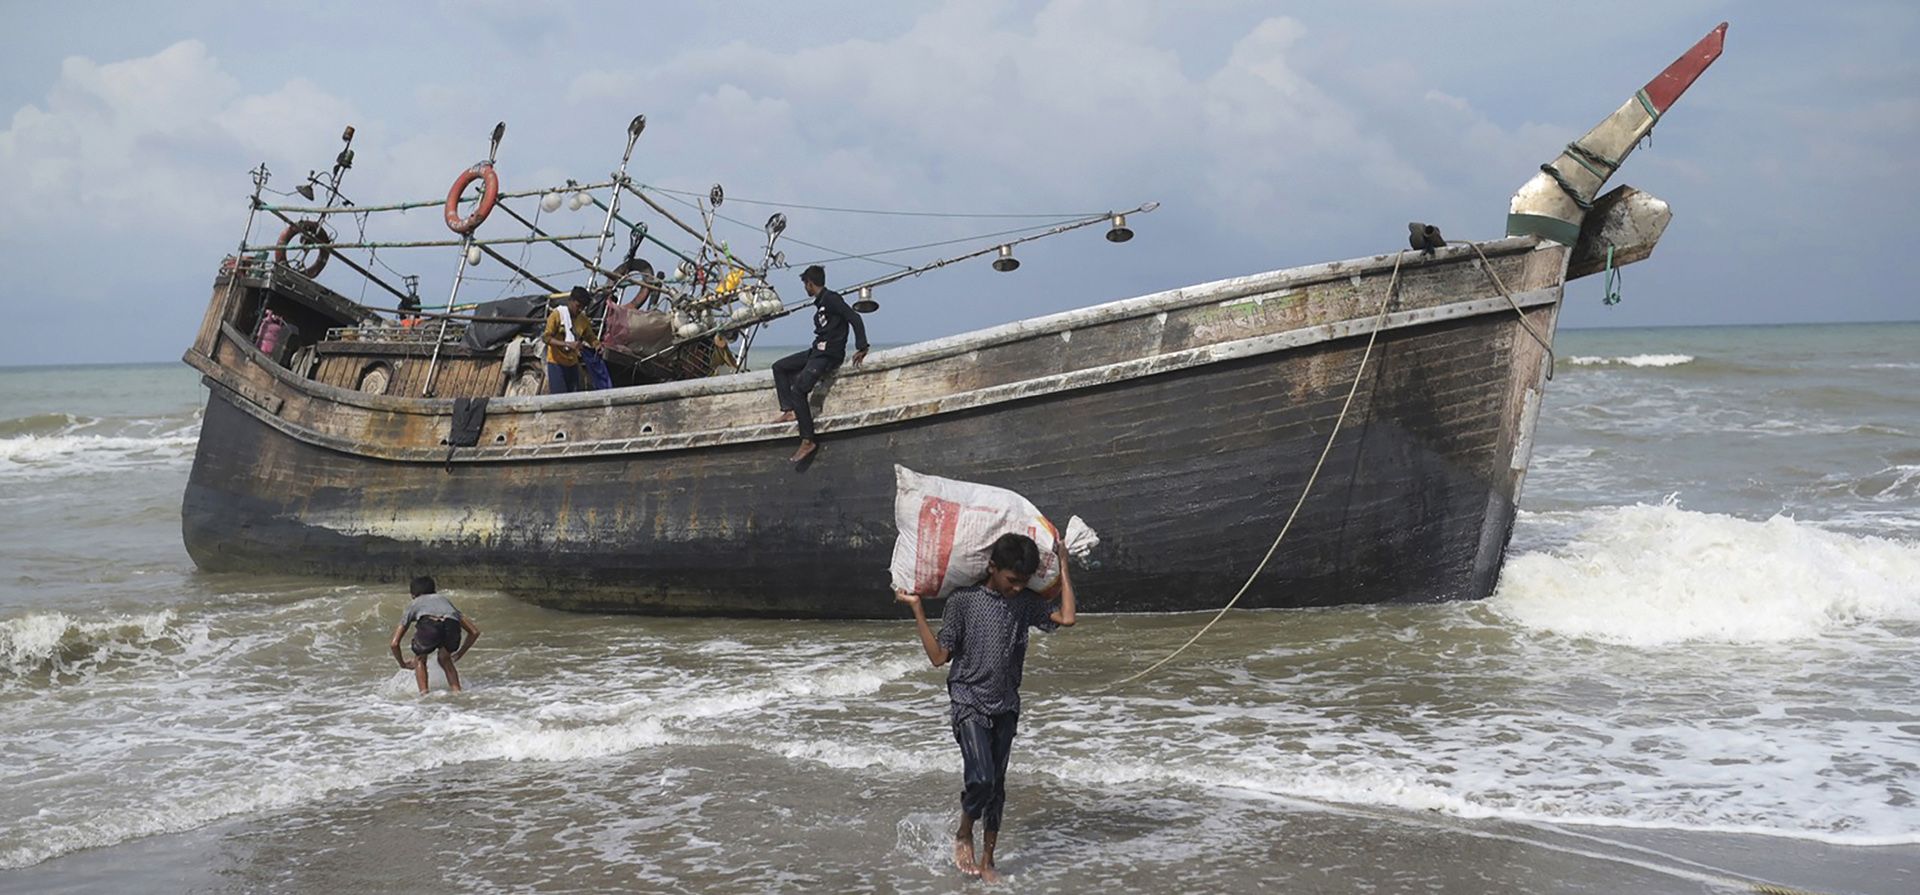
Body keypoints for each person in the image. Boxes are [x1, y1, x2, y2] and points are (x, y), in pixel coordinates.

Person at [895, 533, 1077, 882]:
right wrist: (918, 609)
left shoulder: (1023, 603)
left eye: (1023, 582)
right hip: (968, 700)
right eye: (1011, 580)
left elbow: (1067, 617)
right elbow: (938, 657)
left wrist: (1064, 563)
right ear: (992, 568)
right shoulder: (964, 601)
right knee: (981, 778)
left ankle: (988, 860)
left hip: (1006, 703)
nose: (1016, 588)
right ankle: (964, 832)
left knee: (998, 786)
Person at [771, 264, 868, 463]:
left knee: (799, 390)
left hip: (828, 355)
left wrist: (862, 346)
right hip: (816, 351)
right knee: (779, 367)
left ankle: (808, 440)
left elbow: (854, 318)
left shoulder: (832, 299)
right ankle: (789, 411)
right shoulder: (821, 302)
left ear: (810, 283)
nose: (805, 288)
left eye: (805, 284)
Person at [389, 575, 480, 694]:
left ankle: (424, 694)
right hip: (452, 625)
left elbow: (394, 644)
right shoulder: (444, 600)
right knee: (445, 658)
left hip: (429, 625)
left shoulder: (414, 604)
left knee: (420, 659)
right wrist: (459, 654)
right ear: (434, 590)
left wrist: (403, 664)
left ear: (412, 594)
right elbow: (474, 632)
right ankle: (457, 692)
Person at [543, 286, 599, 394]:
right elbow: (546, 338)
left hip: (573, 364)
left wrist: (597, 345)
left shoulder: (583, 319)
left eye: (582, 308)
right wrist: (567, 344)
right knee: (559, 398)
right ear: (571, 301)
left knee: (573, 397)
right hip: (556, 363)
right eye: (578, 306)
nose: (579, 310)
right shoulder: (557, 315)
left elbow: (591, 337)